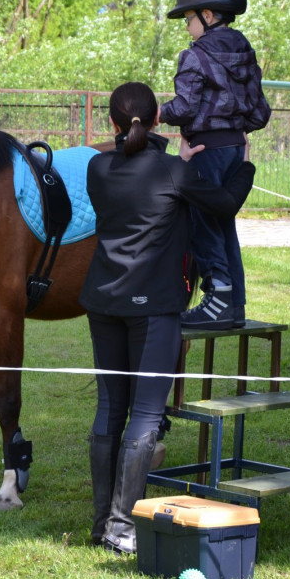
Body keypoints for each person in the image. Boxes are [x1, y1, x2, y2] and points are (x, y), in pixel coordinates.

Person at [80, 82, 255, 554]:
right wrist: (245, 167)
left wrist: (170, 157)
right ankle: (120, 526)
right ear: (159, 117)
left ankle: (102, 523)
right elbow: (225, 205)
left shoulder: (97, 169)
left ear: (112, 123)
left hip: (102, 302)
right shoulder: (174, 172)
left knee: (108, 409)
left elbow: (131, 167)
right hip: (155, 307)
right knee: (145, 414)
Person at [159, 0, 272, 330]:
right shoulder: (245, 53)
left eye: (189, 19)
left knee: (203, 223)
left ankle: (217, 297)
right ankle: (234, 304)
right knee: (224, 225)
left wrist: (154, 113)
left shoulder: (195, 56)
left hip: (205, 150)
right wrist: (235, 130)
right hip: (235, 150)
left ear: (208, 16)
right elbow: (260, 112)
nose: (188, 27)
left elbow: (185, 108)